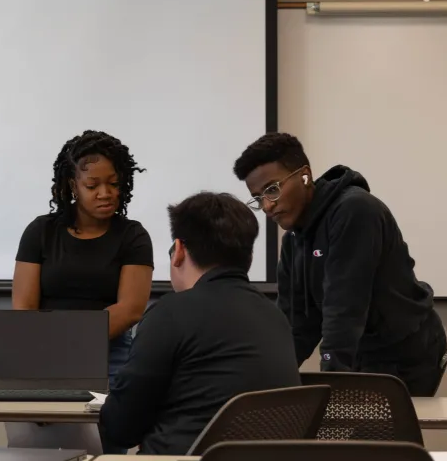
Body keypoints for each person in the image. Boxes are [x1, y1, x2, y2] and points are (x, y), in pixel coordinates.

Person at [233, 132, 447, 396]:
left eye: (272, 189)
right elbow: (295, 324)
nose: (267, 205)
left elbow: (344, 307)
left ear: (304, 175)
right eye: (258, 198)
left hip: (405, 351)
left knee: (375, 434)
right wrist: (269, 382)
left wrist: (332, 381)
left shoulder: (354, 210)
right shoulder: (293, 242)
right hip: (362, 350)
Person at [99, 192, 299, 455]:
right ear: (248, 257)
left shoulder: (170, 313)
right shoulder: (275, 317)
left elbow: (120, 428)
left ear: (179, 250)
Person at [13, 131, 153, 383]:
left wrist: (71, 340)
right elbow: (24, 309)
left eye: (113, 183)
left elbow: (131, 310)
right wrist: (54, 346)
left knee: (110, 420)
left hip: (110, 356)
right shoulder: (41, 231)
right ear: (72, 185)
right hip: (43, 351)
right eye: (92, 185)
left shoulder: (133, 235)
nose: (105, 193)